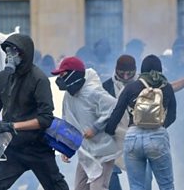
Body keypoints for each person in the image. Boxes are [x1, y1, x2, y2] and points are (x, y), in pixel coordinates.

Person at [0, 33, 69, 190]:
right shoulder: (2, 77)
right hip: (12, 147)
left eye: (15, 51)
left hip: (37, 146)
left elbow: (45, 118)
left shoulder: (39, 79)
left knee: (57, 187)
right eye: (8, 51)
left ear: (25, 54)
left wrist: (14, 126)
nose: (10, 55)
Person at [105, 55, 176, 190]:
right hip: (158, 137)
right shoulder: (167, 88)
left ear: (141, 70)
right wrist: (159, 126)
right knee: (166, 185)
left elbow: (116, 114)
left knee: (137, 186)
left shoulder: (131, 88)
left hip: (133, 137)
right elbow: (172, 115)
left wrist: (108, 132)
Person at [52, 56, 120, 190]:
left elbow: (114, 108)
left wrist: (95, 128)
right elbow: (67, 120)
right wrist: (66, 146)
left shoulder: (94, 92)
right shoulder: (68, 96)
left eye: (63, 74)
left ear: (74, 74)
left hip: (102, 151)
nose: (60, 79)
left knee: (98, 187)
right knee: (80, 187)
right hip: (86, 152)